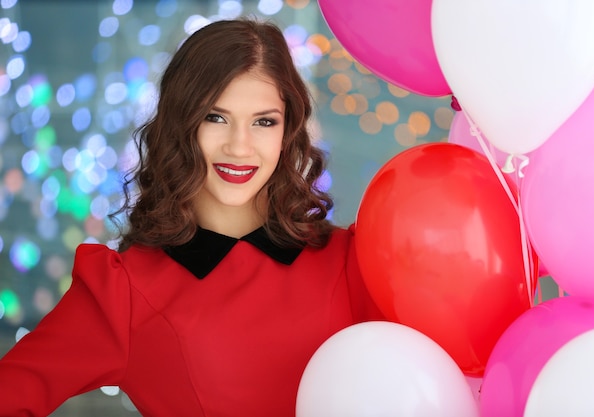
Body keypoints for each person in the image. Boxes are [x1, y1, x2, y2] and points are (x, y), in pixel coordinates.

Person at [0, 17, 384, 416]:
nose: (239, 146)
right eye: (215, 117)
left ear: (287, 132)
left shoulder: (353, 263)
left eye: (264, 121)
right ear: (182, 124)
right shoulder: (124, 292)